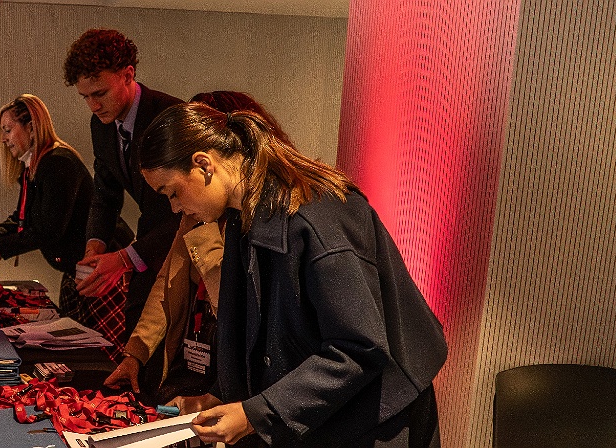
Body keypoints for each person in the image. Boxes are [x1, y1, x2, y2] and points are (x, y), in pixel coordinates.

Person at [137, 102, 448, 447]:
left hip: (377, 423)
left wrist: (256, 413)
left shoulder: (315, 219)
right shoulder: (243, 216)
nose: (175, 208)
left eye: (173, 192)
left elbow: (359, 348)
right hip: (325, 420)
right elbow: (260, 337)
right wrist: (220, 396)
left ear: (203, 164)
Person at [105, 91, 288, 410]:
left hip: (236, 372)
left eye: (173, 193)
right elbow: (167, 284)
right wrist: (135, 353)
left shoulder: (262, 216)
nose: (175, 207)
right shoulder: (195, 213)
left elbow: (232, 306)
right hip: (197, 356)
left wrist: (205, 238)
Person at [63, 28, 182, 351]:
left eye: (99, 93)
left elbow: (187, 210)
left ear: (128, 75)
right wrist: (94, 246)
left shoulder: (170, 116)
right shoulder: (100, 125)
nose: (93, 105)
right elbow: (105, 194)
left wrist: (124, 259)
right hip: (148, 243)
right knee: (134, 336)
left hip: (183, 247)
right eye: (85, 97)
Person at [0, 94, 93, 313]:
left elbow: (49, 230)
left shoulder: (57, 162)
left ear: (31, 128)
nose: (3, 139)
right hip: (78, 273)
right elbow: (22, 219)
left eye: (7, 130)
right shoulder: (34, 167)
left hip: (100, 275)